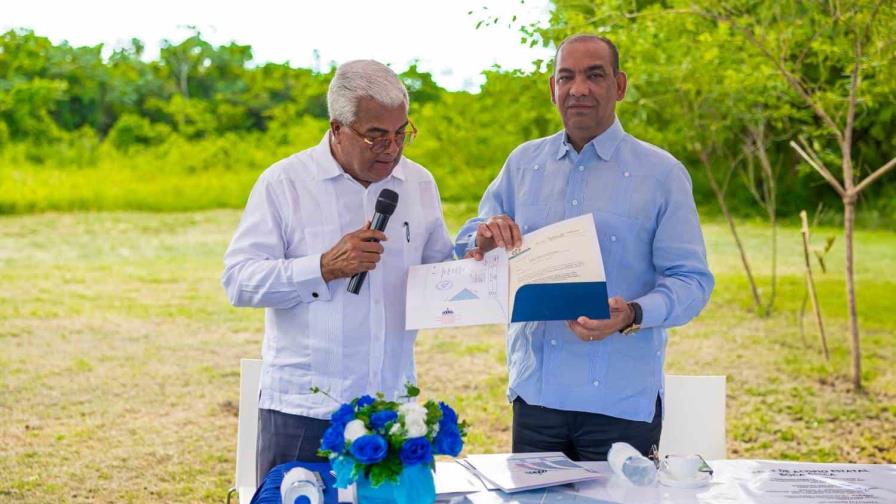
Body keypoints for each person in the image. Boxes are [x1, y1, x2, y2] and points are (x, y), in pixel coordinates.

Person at [455, 34, 714, 461]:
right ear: (552, 88)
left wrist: (632, 314)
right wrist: (483, 237)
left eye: (595, 75)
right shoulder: (523, 164)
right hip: (536, 398)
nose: (579, 88)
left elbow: (692, 281)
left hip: (621, 403)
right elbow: (466, 242)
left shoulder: (662, 173)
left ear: (620, 85)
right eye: (566, 77)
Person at [222, 60, 453, 483]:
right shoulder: (284, 183)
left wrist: (480, 261)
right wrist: (323, 267)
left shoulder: (419, 184)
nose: (393, 148)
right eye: (376, 136)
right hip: (305, 410)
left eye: (402, 133)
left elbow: (440, 271)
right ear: (336, 128)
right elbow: (239, 280)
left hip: (393, 411)